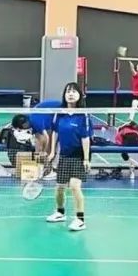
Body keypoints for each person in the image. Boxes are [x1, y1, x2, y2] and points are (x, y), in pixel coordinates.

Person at [45, 82, 91, 232]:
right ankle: (60, 212)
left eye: (74, 91)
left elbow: (85, 138)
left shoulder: (84, 115)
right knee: (59, 187)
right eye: (68, 91)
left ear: (79, 95)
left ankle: (80, 219)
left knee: (75, 187)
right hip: (64, 155)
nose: (70, 94)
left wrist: (86, 159)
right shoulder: (59, 113)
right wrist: (52, 152)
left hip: (78, 155)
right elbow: (55, 133)